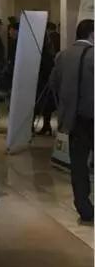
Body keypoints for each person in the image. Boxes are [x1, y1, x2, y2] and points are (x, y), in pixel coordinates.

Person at [49, 19, 94, 223]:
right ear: (92, 34)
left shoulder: (62, 56)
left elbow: (53, 84)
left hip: (73, 119)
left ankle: (83, 206)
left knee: (78, 164)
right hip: (92, 116)